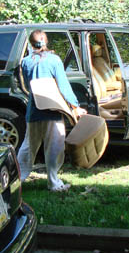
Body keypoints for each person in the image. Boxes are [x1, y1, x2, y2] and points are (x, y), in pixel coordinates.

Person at [17, 29, 87, 192]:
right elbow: (63, 86)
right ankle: (53, 183)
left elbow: (28, 86)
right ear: (46, 42)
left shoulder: (26, 62)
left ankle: (17, 179)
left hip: (33, 112)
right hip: (53, 112)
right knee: (54, 148)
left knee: (28, 147)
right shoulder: (54, 60)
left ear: (31, 43)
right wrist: (75, 106)